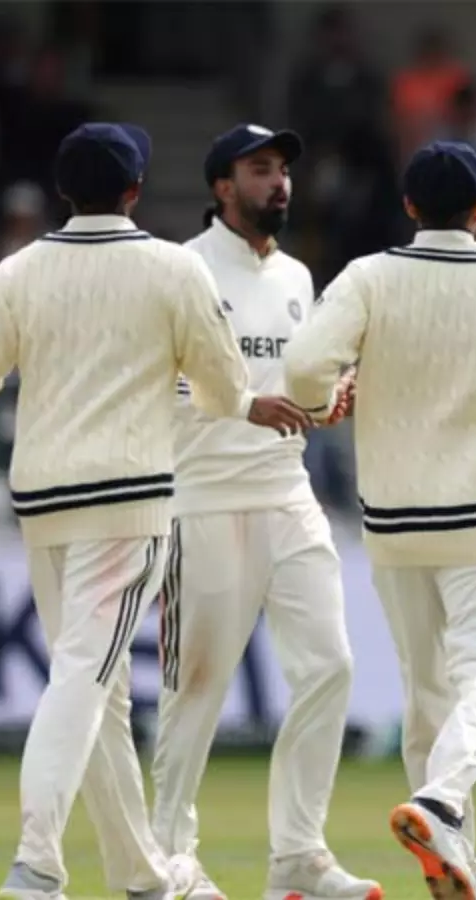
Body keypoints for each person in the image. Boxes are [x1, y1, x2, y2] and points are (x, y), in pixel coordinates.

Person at [0, 122, 305, 900]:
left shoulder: (18, 272)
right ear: (135, 190)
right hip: (126, 507)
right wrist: (228, 397)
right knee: (84, 676)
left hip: (43, 506)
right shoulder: (173, 269)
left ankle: (143, 877)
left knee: (98, 687)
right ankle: (36, 866)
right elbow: (220, 388)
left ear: (62, 191)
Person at [283, 140, 476, 900]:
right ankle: (442, 801)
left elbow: (302, 368)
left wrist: (325, 403)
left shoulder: (369, 276)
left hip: (392, 524)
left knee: (427, 696)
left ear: (410, 207)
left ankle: (459, 867)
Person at [149, 124, 380, 900]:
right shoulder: (182, 268)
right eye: (259, 170)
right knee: (197, 683)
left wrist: (326, 401)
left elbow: (301, 382)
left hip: (287, 492)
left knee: (330, 665)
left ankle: (298, 855)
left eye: (282, 169)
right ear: (223, 186)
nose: (278, 182)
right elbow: (162, 380)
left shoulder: (298, 276)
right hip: (204, 497)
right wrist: (247, 401)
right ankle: (168, 858)